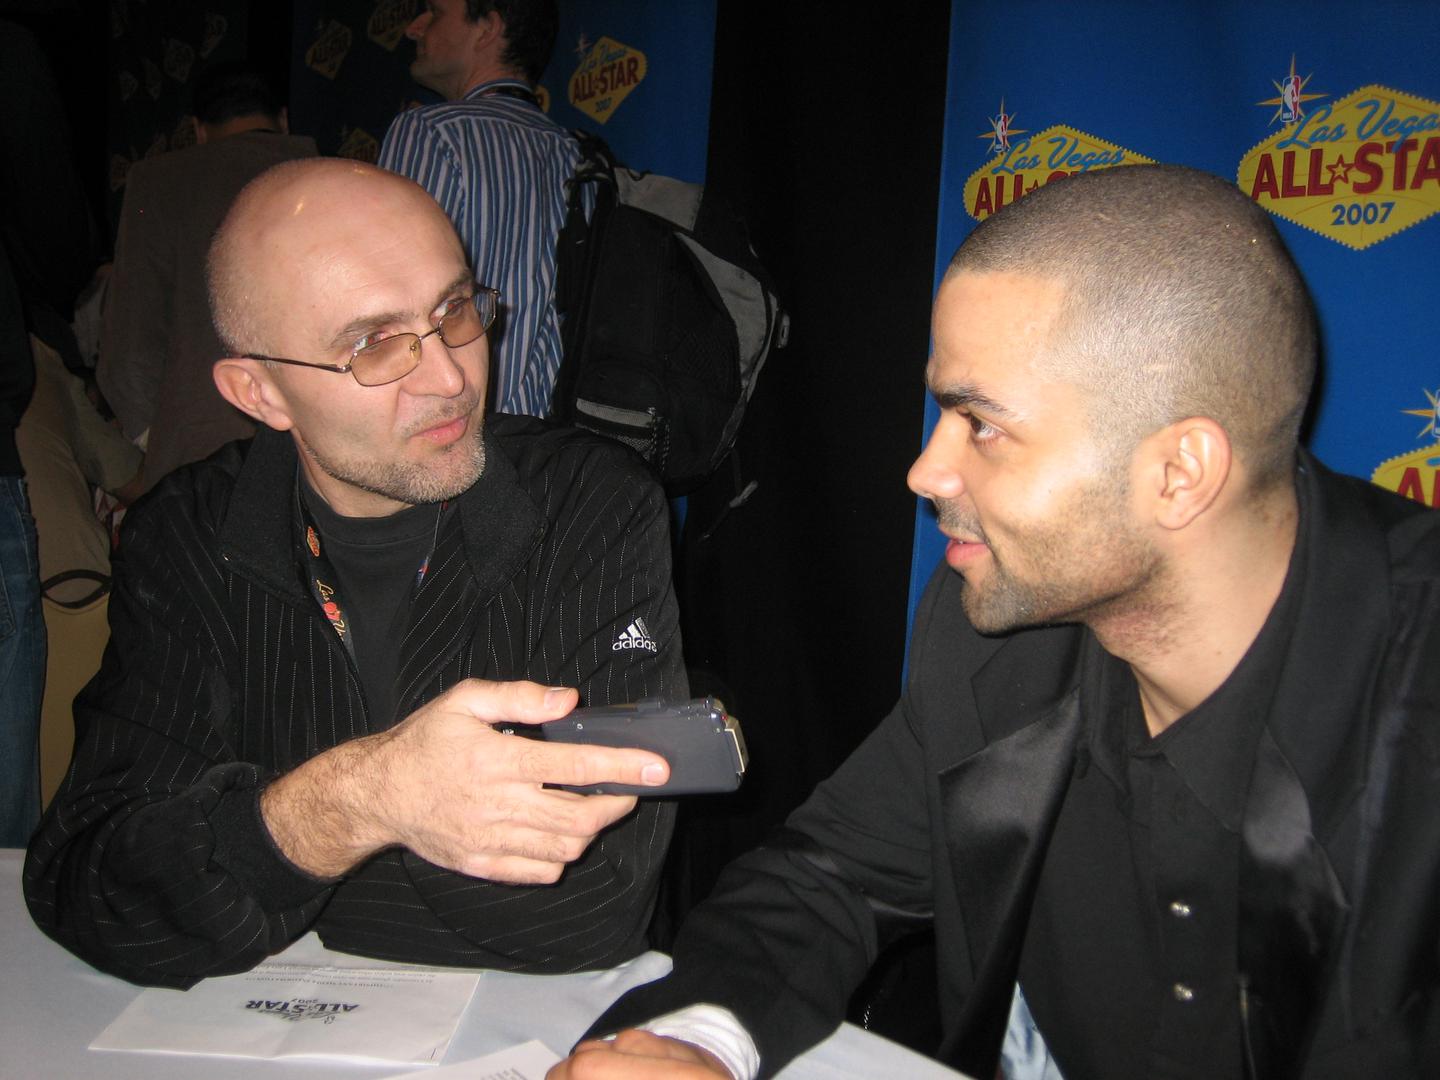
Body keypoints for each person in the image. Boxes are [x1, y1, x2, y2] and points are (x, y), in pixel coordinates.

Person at [549, 165, 1440, 1080]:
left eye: (980, 424)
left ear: (1179, 474)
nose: (925, 473)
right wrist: (696, 1044)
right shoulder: (997, 637)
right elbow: (830, 875)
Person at [24, 158, 686, 988]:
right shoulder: (188, 535)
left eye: (453, 310)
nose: (451, 378)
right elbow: (88, 883)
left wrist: (260, 853)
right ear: (259, 392)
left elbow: (594, 902)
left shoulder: (591, 504)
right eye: (374, 345)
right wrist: (367, 798)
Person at [99, 61, 317, 492]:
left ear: (198, 129)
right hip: (316, 451)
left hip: (195, 456)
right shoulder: (329, 173)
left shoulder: (156, 182)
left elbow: (126, 348)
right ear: (283, 119)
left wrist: (160, 439)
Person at [378, 0, 582, 417]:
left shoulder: (429, 132)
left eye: (434, 12)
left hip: (454, 430)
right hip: (558, 440)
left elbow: (387, 305)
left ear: (488, 28)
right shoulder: (583, 156)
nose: (414, 28)